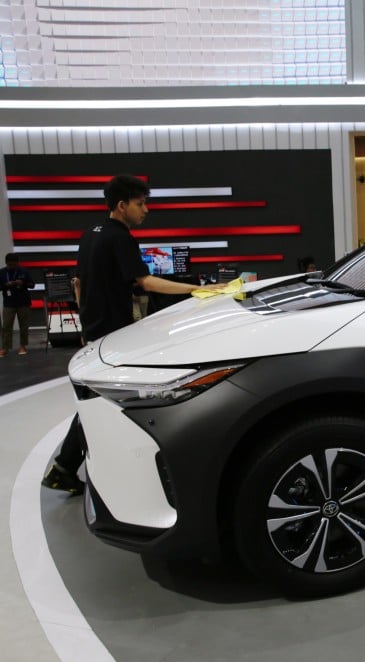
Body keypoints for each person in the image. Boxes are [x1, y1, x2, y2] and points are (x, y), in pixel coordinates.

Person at [42, 174, 224, 494]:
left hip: (96, 329)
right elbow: (146, 282)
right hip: (114, 333)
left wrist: (87, 325)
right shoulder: (120, 237)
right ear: (122, 206)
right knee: (105, 403)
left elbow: (78, 284)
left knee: (99, 399)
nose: (146, 210)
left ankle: (66, 466)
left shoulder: (89, 234)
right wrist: (200, 289)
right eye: (141, 204)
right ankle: (69, 466)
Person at [0, 252, 35, 357]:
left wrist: (22, 283)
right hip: (8, 303)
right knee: (6, 326)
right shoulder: (2, 272)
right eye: (10, 265)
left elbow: (32, 285)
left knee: (23, 326)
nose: (11, 266)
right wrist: (6, 285)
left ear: (17, 263)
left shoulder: (23, 271)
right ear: (6, 263)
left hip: (23, 302)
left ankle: (23, 346)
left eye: (14, 264)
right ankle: (5, 347)